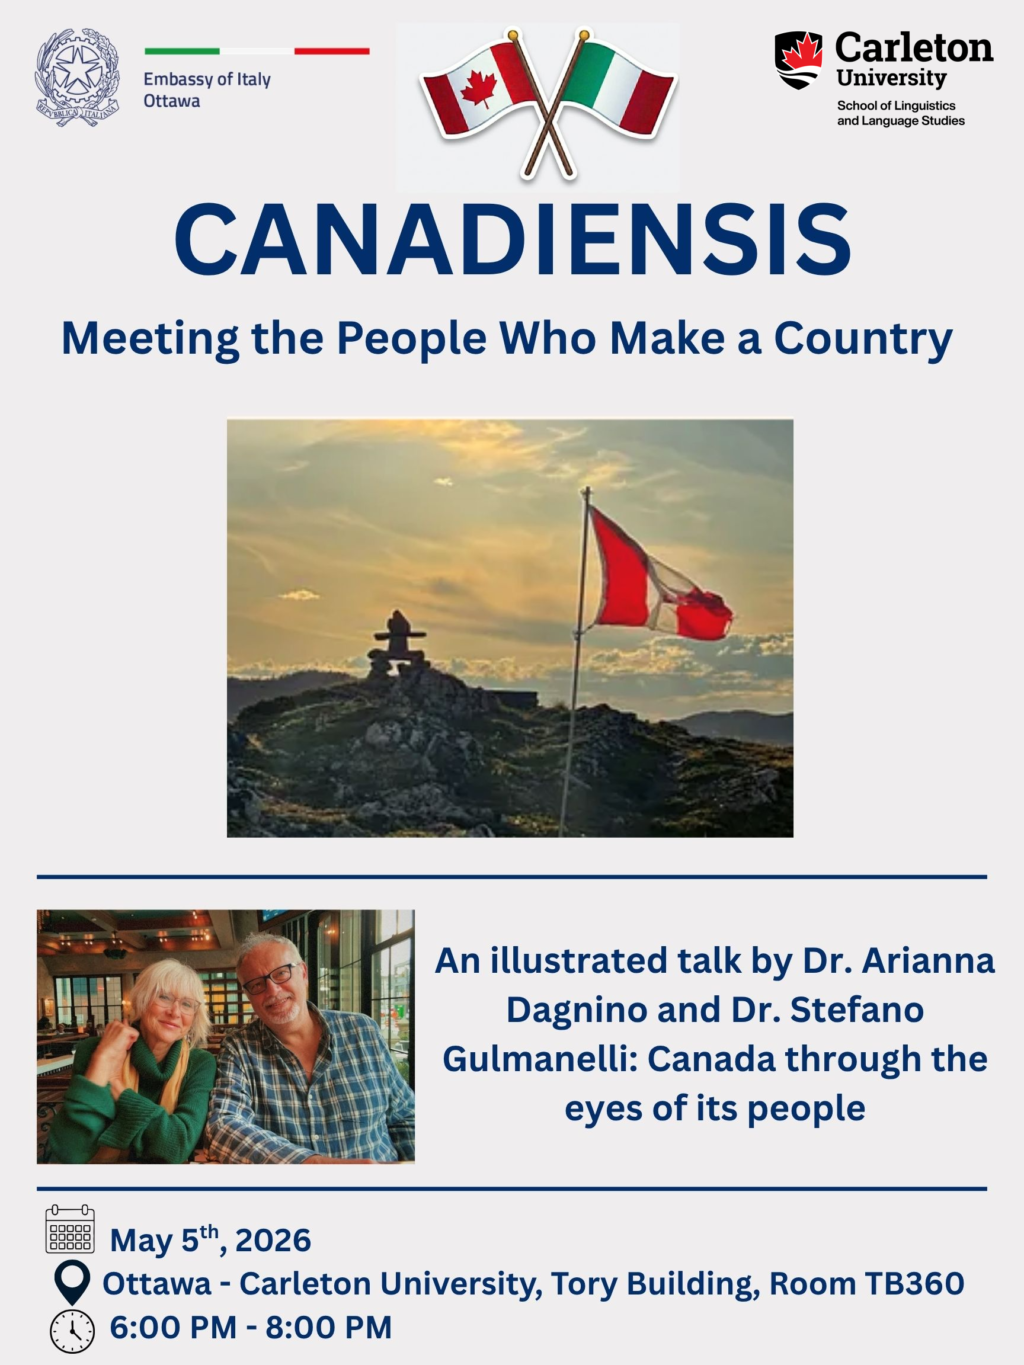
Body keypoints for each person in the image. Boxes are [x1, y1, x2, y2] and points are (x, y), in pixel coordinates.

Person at [207, 932, 414, 1164]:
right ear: (248, 995)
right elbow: (223, 1126)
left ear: (303, 973)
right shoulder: (239, 1048)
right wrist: (313, 1165)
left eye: (281, 973)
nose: (273, 991)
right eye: (256, 984)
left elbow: (406, 1116)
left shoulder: (363, 1030)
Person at [47, 959, 216, 1163]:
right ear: (142, 1001)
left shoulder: (200, 1063)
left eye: (187, 1004)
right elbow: (70, 1149)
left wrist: (118, 1089)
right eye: (164, 997)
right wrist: (103, 1059)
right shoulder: (94, 1050)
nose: (175, 1012)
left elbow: (177, 1146)